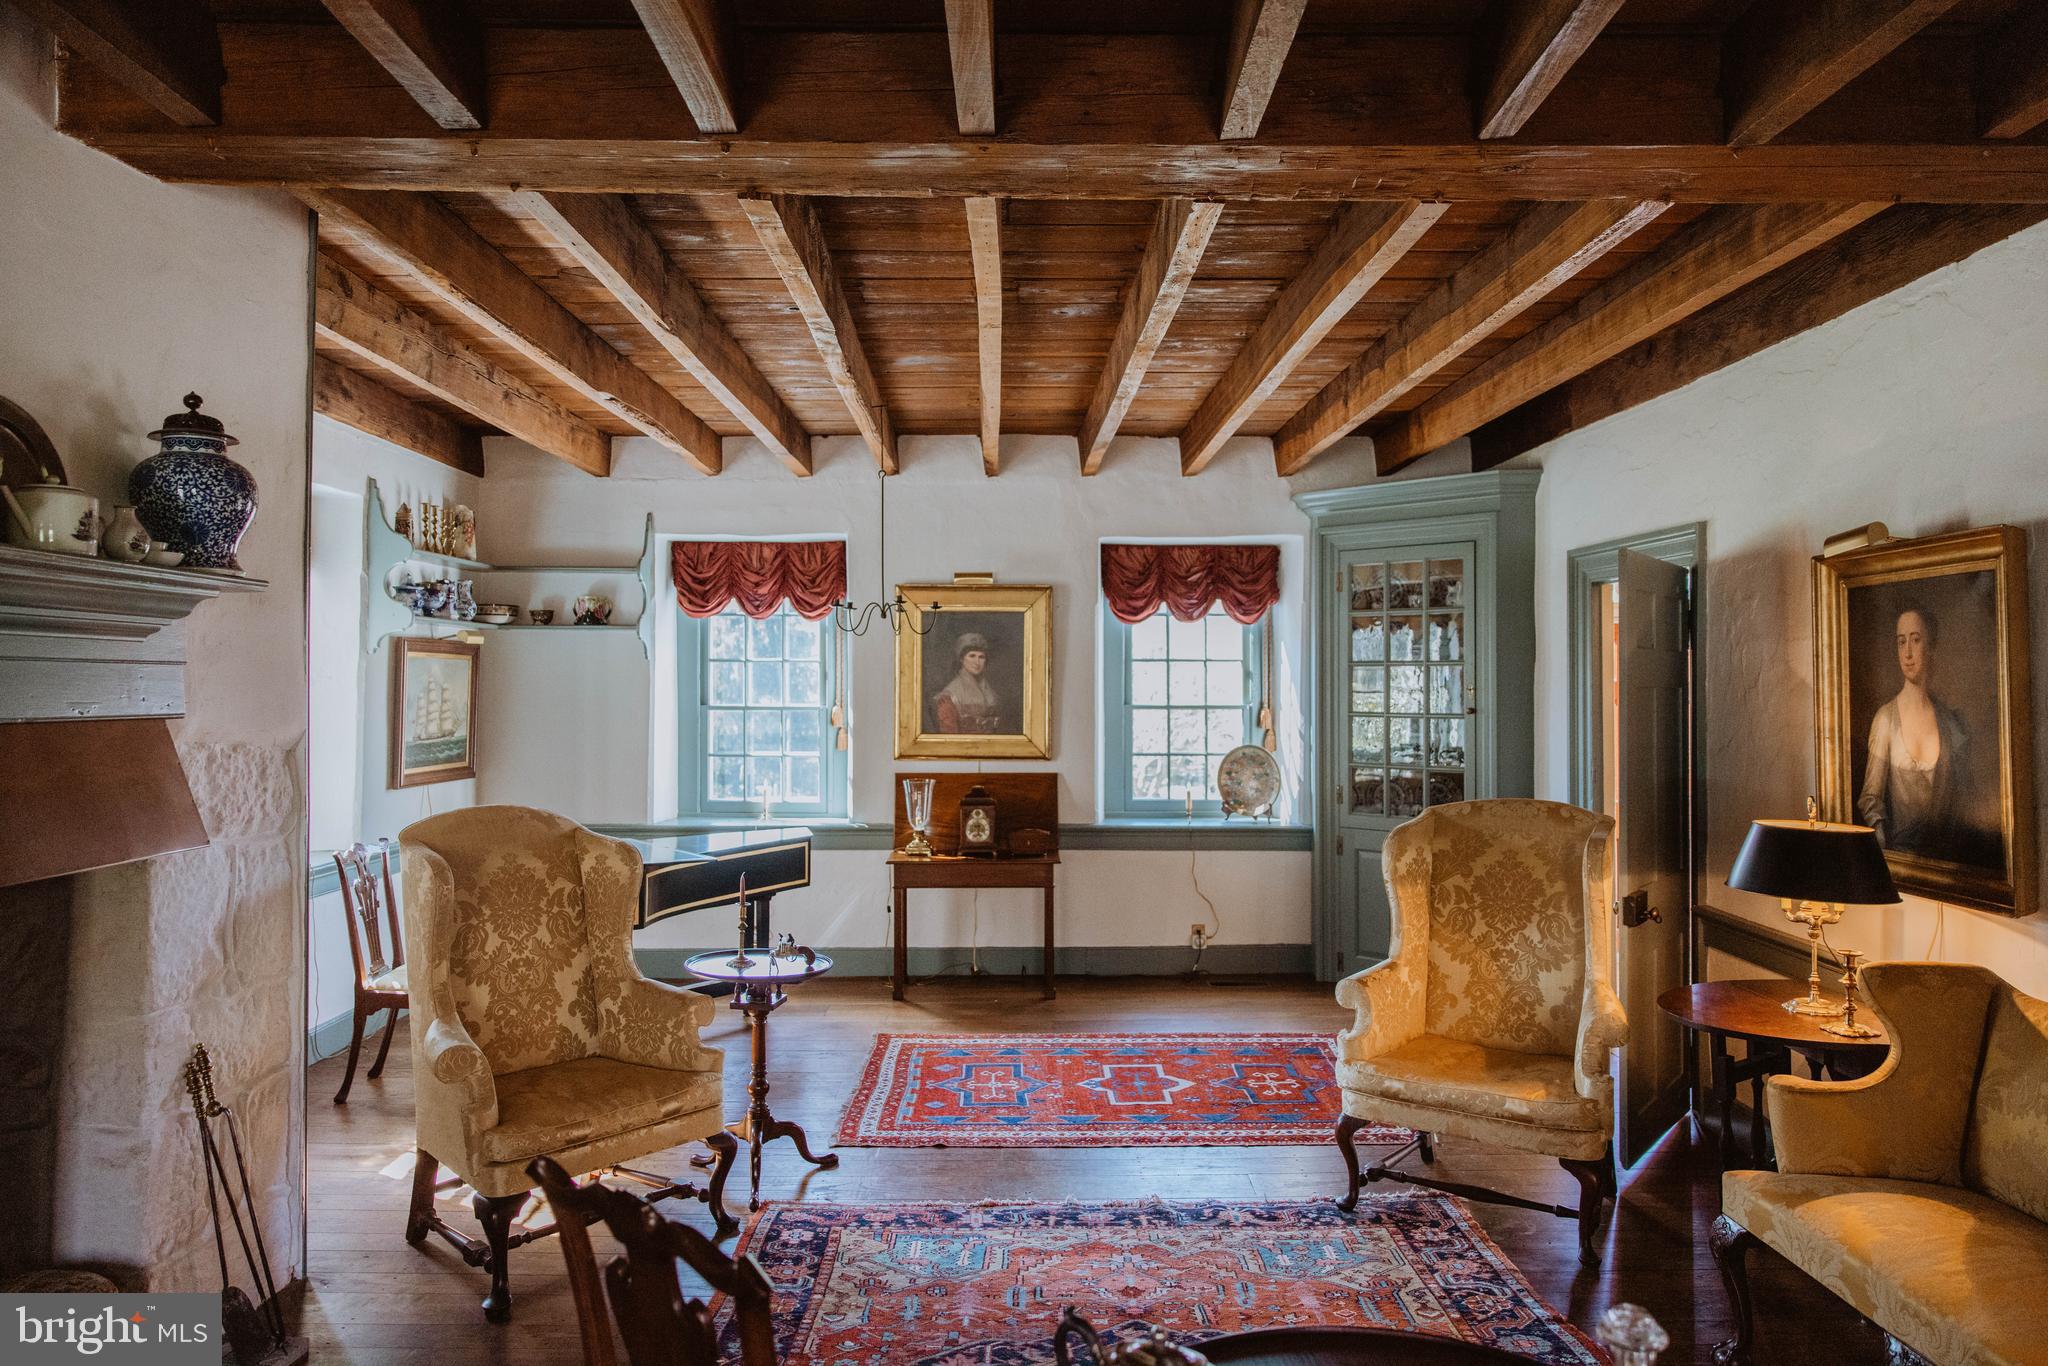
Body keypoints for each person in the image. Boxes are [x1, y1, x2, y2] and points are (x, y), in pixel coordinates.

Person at [1857, 607, 1970, 859]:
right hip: (1901, 860)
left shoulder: (1950, 723)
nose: (1907, 653)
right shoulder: (1886, 719)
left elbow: (1962, 805)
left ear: (1930, 647)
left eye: (1916, 640)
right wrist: (1885, 852)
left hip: (1946, 861)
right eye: (1901, 642)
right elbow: (1870, 799)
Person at [933, 632, 1003, 734]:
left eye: (981, 657)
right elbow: (949, 736)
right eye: (972, 656)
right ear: (962, 659)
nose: (977, 662)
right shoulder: (950, 695)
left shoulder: (990, 693)